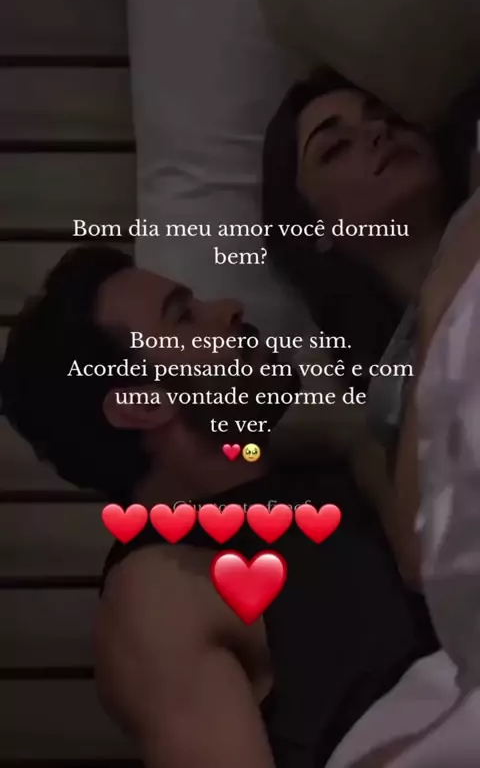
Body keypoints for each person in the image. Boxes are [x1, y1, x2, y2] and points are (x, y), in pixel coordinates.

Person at [0, 245, 438, 768]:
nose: (230, 308)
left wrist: (358, 446)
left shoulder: (334, 461)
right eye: (184, 317)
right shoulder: (161, 593)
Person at [262, 68, 479, 584]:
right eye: (336, 148)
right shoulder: (385, 397)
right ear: (315, 230)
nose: (380, 132)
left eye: (386, 117)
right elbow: (424, 558)